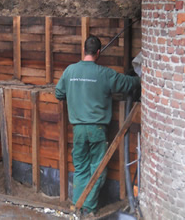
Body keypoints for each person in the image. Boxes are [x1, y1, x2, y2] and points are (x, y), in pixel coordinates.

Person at [55, 35, 140, 215]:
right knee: (98, 170)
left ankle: (78, 207)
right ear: (99, 53)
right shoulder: (105, 74)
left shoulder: (70, 71)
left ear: (83, 50)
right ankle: (89, 208)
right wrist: (139, 75)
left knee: (81, 168)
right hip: (97, 130)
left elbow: (59, 93)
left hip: (77, 129)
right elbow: (128, 84)